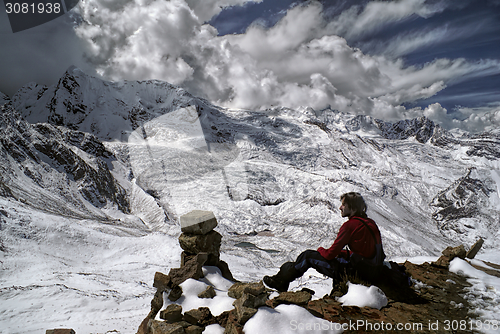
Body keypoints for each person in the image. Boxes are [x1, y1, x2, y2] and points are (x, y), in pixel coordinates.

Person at [263, 192, 385, 292]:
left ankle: (280, 281)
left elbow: (329, 255)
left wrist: (321, 250)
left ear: (352, 207)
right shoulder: (370, 223)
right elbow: (365, 251)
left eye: (343, 205)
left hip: (356, 273)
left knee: (307, 257)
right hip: (372, 271)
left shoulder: (350, 226)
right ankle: (282, 280)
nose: (340, 208)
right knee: (312, 257)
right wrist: (343, 253)